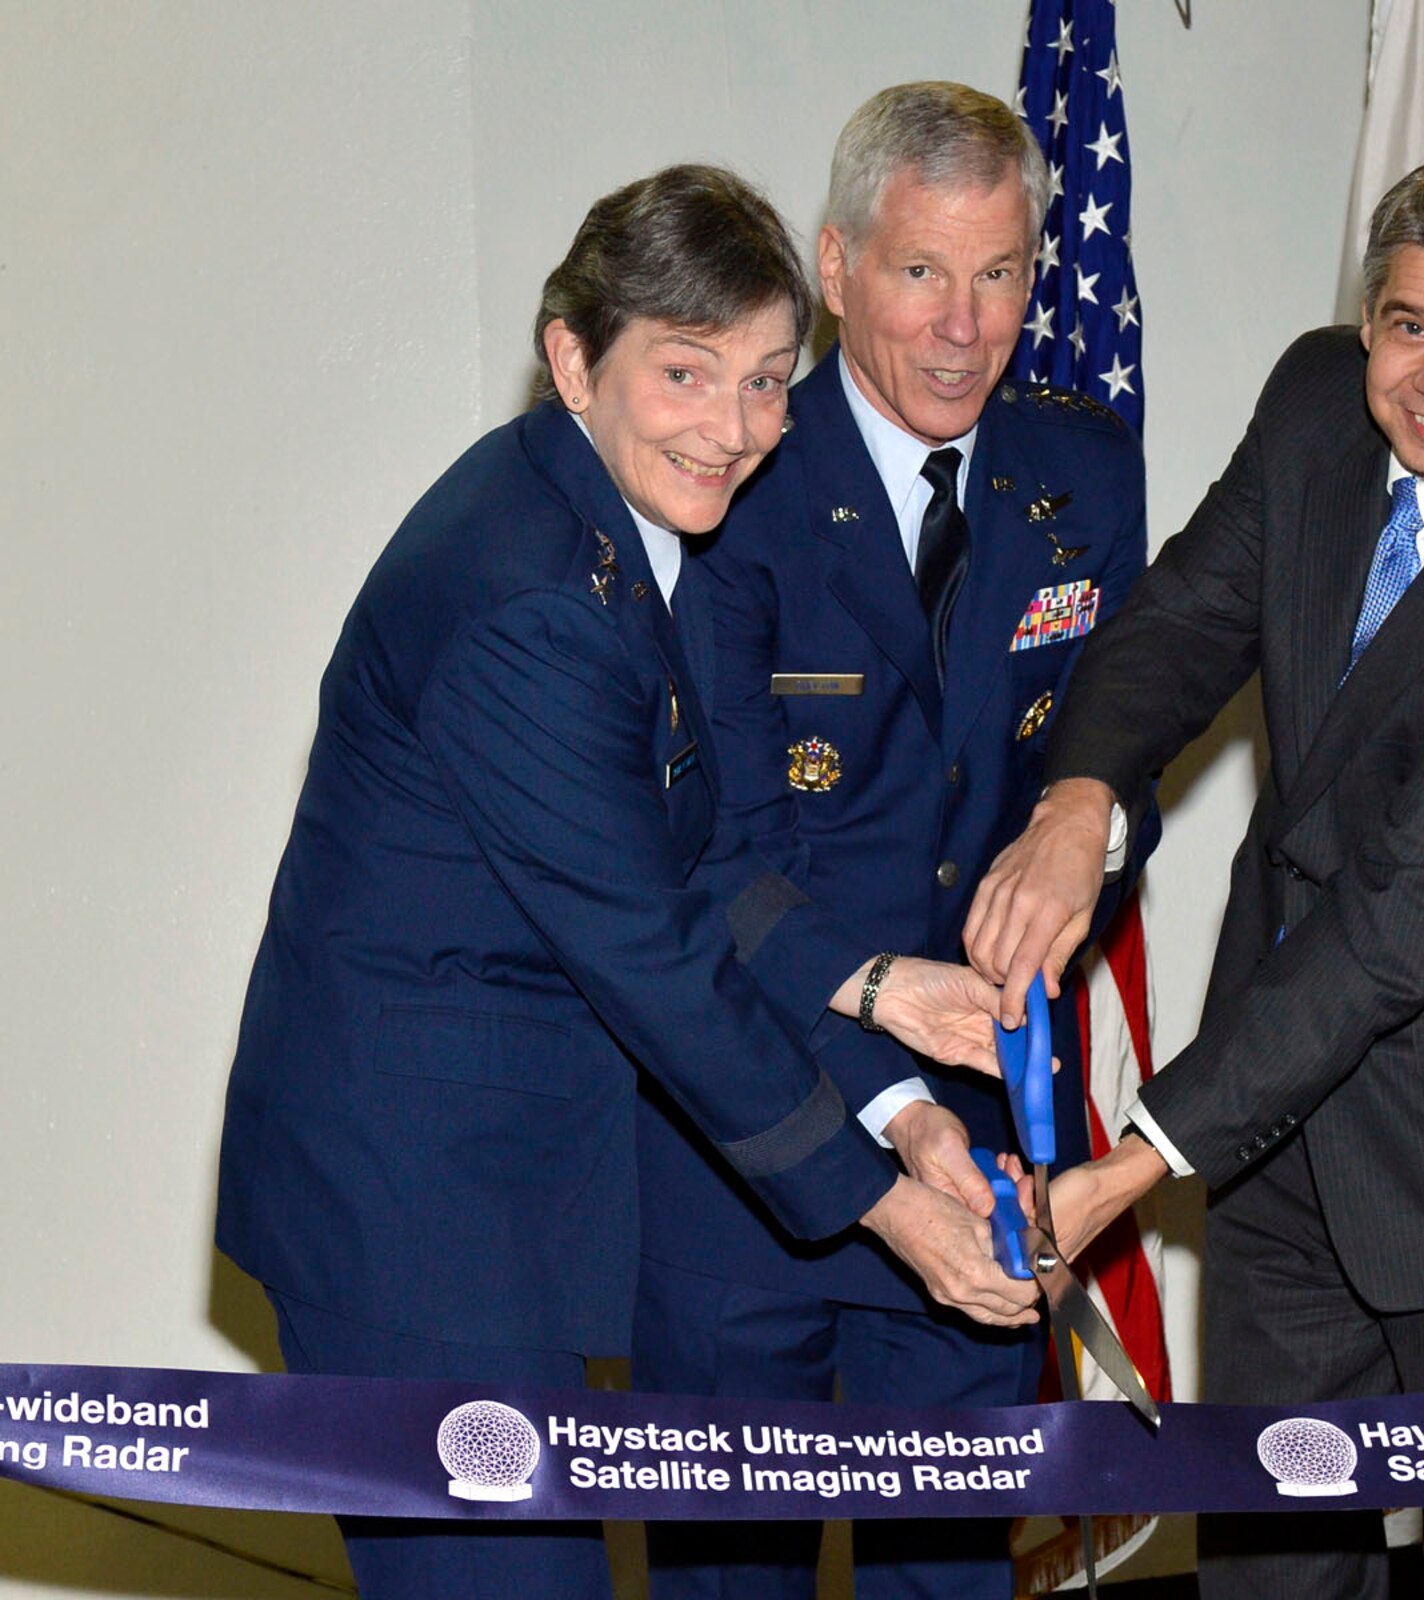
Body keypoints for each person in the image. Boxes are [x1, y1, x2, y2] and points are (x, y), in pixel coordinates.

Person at [214, 164, 1038, 1600]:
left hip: (492, 1193)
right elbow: (648, 953)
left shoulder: (640, 535)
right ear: (571, 357)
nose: (735, 430)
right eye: (686, 373)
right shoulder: (531, 592)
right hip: (416, 1213)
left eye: (772, 381)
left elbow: (708, 855)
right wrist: (891, 1206)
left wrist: (885, 1013)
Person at [965, 140, 1424, 1599]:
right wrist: (1082, 798)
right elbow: (1177, 621)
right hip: (1287, 1144)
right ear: (1369, 314)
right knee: (1275, 1571)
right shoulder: (1314, 405)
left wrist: (1126, 1171)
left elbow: (1393, 931)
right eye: (1410, 325)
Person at [633, 83, 1150, 1600]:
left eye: (1000, 276)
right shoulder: (731, 480)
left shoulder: (1085, 473)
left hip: (986, 1140)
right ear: (837, 265)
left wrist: (1094, 824)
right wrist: (896, 1113)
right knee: (731, 1579)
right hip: (748, 1137)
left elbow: (1117, 754)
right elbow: (713, 863)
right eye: (921, 272)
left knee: (953, 1577)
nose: (961, 327)